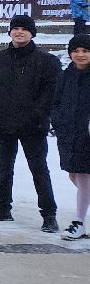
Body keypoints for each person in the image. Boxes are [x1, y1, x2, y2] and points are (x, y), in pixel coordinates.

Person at [0, 15, 61, 230]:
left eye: (24, 29)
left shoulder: (47, 61)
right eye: (15, 28)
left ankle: (49, 215)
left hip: (33, 126)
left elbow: (50, 93)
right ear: (10, 32)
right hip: (3, 123)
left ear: (32, 33)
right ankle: (2, 207)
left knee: (39, 170)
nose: (19, 32)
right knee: (3, 167)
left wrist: (36, 115)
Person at [51, 34, 90, 240]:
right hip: (68, 134)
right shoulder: (66, 76)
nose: (80, 55)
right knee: (74, 175)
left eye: (85, 51)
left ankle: (79, 221)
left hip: (87, 134)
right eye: (76, 51)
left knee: (83, 177)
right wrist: (57, 122)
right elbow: (55, 102)